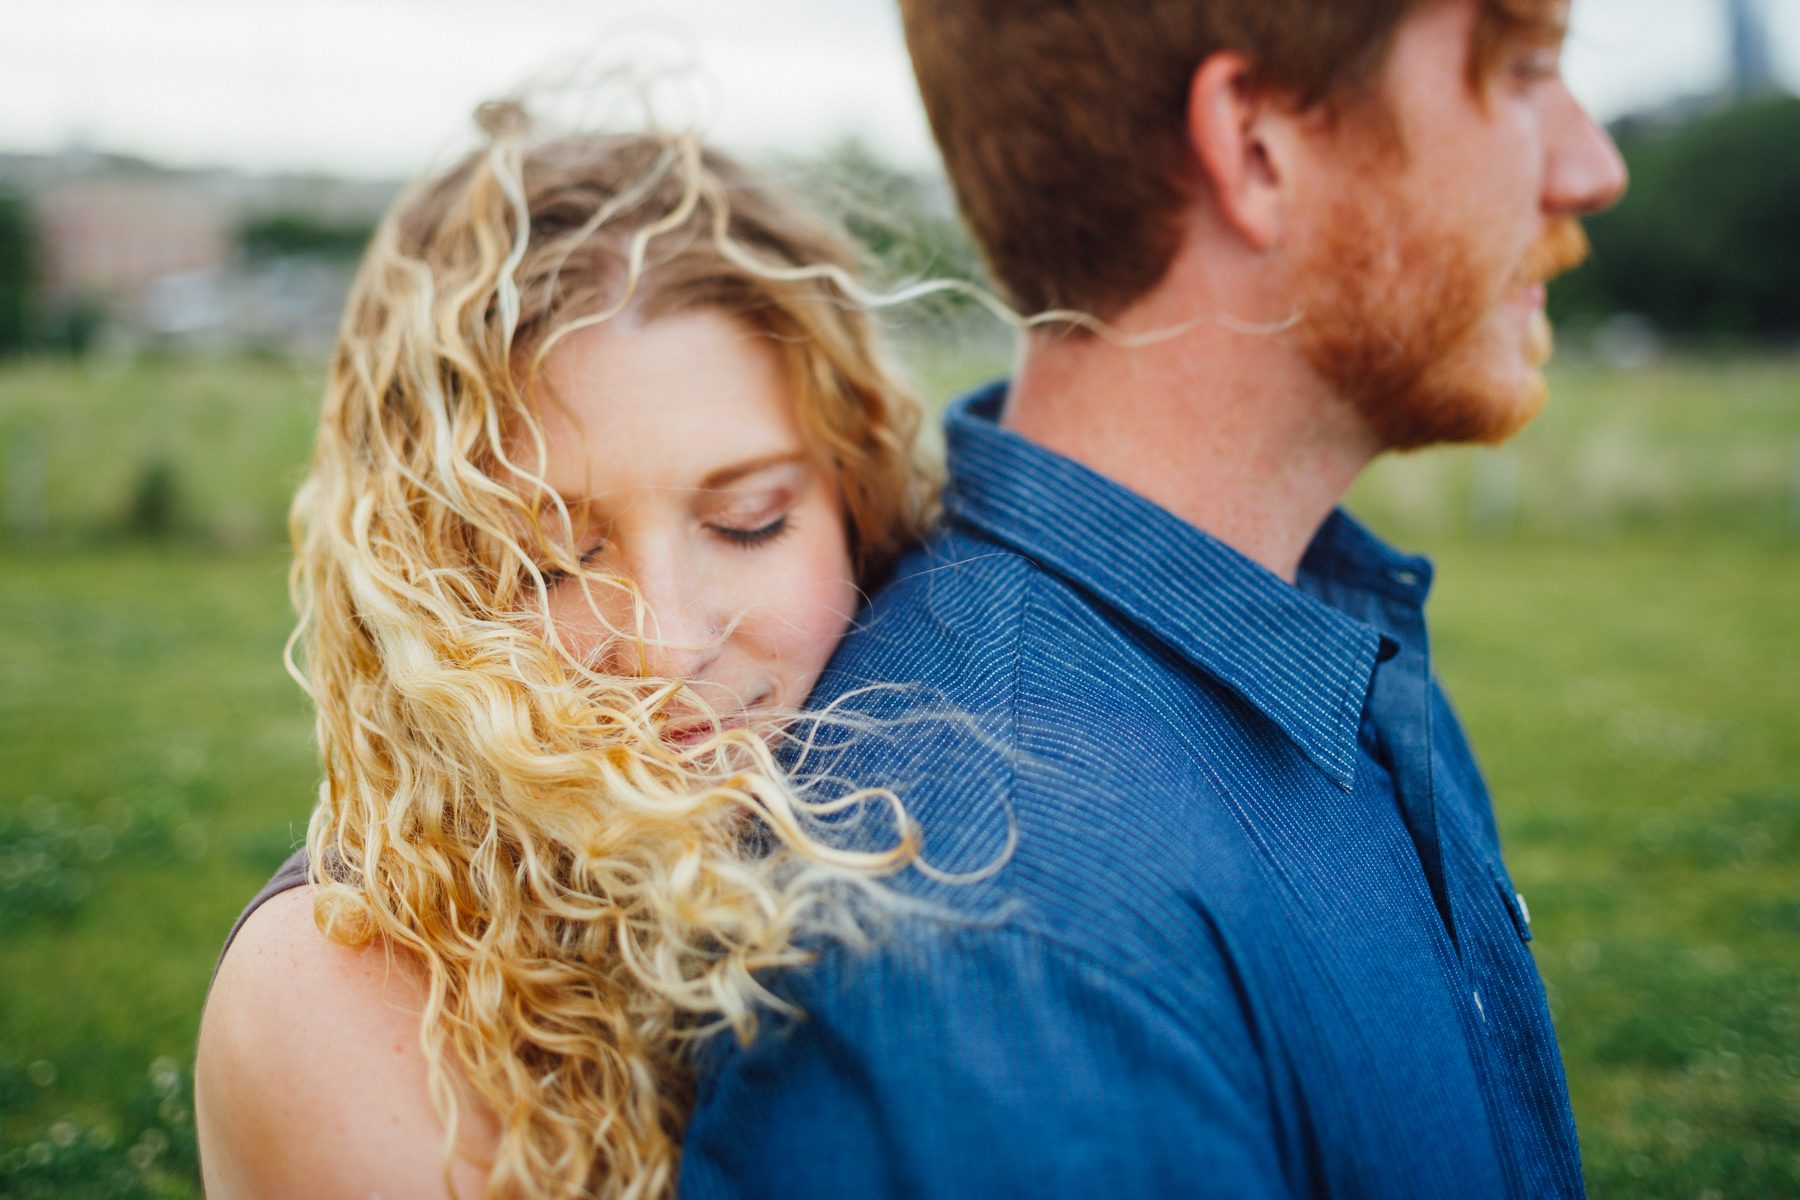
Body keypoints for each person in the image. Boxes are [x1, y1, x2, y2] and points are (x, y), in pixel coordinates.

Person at [675, 0, 1628, 1197]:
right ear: (1255, 146)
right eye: (1522, 71)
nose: (1592, 168)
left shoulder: (1316, 627)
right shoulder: (1001, 931)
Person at [194, 109, 932, 1200]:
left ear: (857, 501)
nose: (668, 646)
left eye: (749, 522)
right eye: (550, 563)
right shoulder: (340, 994)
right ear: (421, 583)